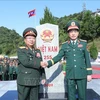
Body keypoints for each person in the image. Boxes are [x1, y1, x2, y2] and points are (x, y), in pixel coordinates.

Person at [42, 20, 92, 100]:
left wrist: (89, 73)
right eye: (71, 32)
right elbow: (58, 56)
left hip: (81, 74)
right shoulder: (65, 45)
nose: (73, 33)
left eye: (75, 31)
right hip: (70, 74)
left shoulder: (83, 44)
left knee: (82, 96)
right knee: (71, 96)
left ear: (78, 33)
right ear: (68, 33)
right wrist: (48, 63)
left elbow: (87, 59)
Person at [17, 27, 46, 100]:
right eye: (29, 38)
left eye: (33, 38)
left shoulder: (37, 51)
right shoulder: (21, 50)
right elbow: (26, 62)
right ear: (25, 40)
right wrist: (40, 63)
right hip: (25, 80)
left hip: (35, 80)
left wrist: (43, 77)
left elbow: (41, 65)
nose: (31, 40)